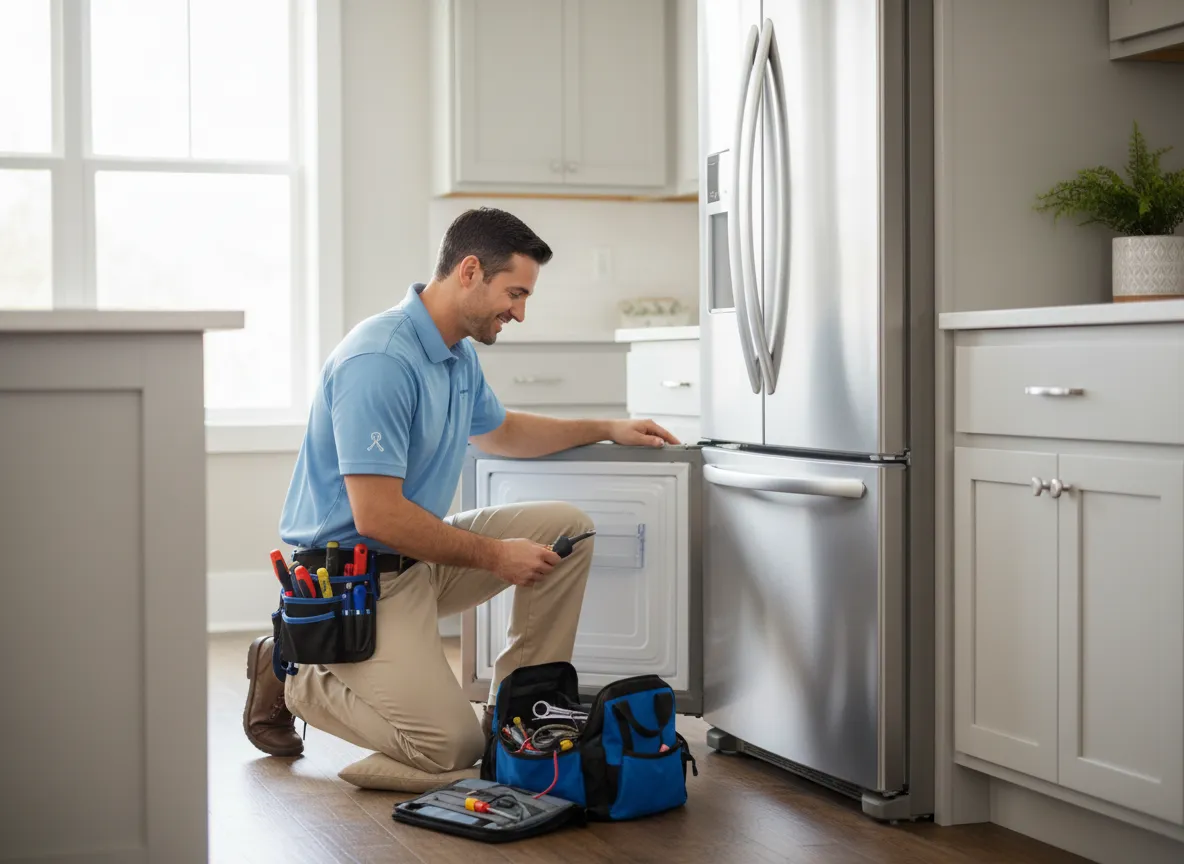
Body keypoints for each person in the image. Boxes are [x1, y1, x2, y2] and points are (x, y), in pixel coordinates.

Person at [242, 206, 679, 781]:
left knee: (567, 527)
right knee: (450, 750)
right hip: (354, 585)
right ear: (470, 271)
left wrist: (605, 427)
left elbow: (503, 432)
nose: (520, 313)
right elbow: (375, 516)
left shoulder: (455, 354)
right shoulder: (379, 360)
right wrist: (497, 556)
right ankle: (297, 668)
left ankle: (518, 711)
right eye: (515, 293)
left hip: (419, 561)